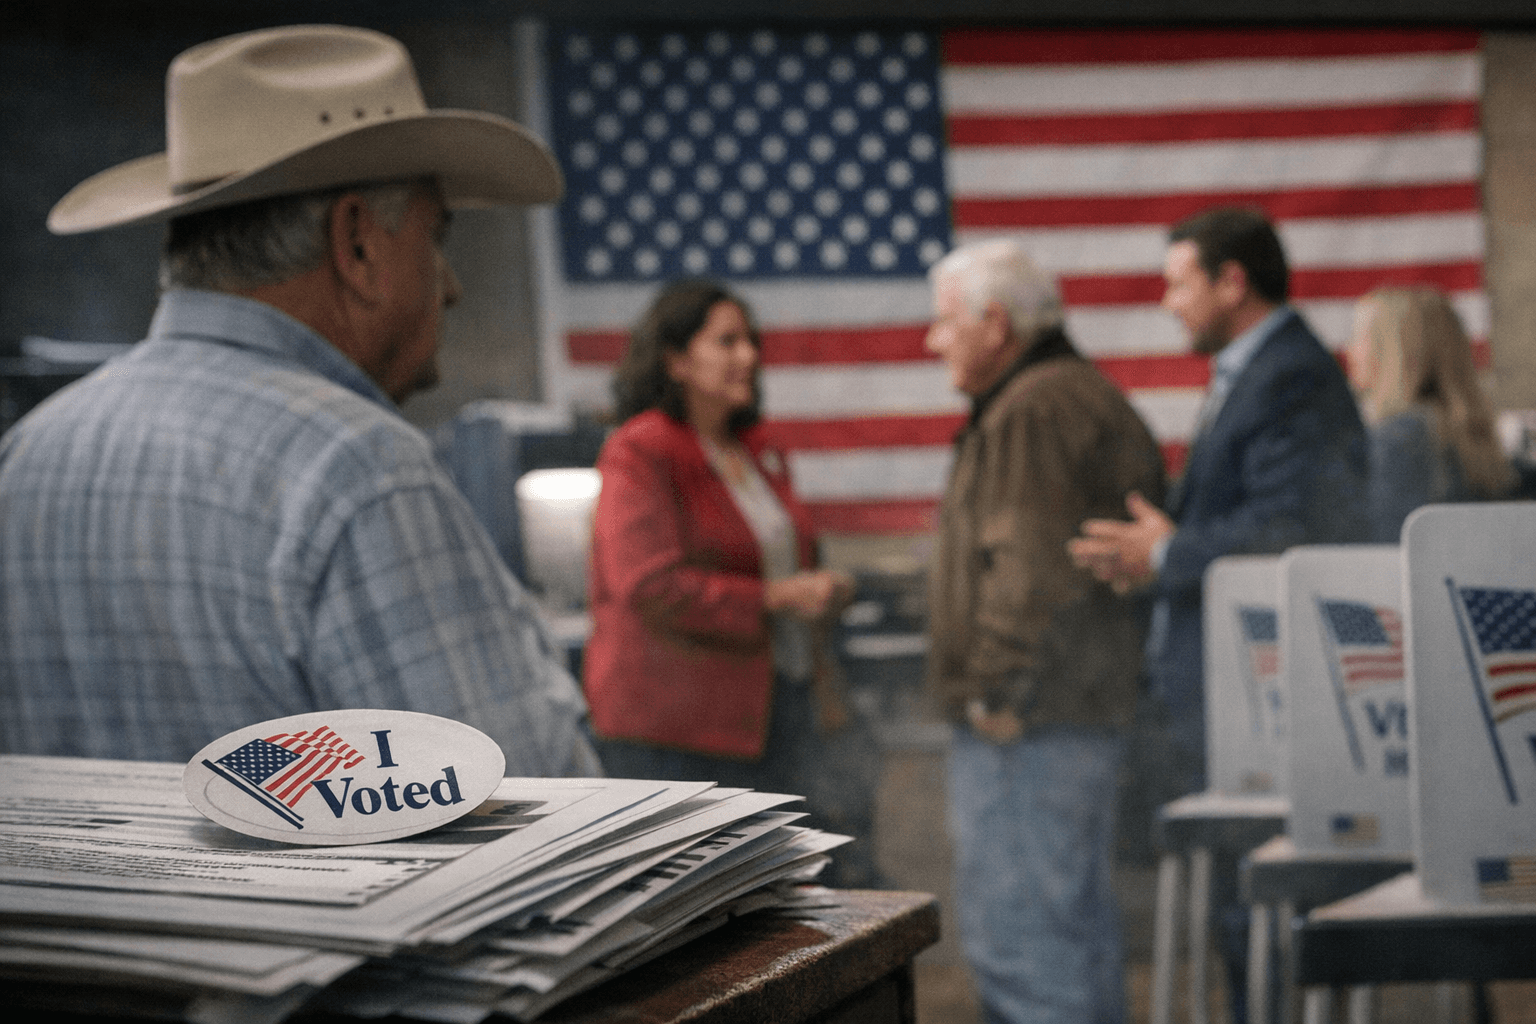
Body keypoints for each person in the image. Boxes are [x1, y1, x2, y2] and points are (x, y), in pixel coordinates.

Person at [0, 25, 598, 777]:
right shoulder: (361, 470)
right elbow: (532, 823)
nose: (451, 285)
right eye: (436, 237)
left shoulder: (26, 457)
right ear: (357, 246)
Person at [1070, 207, 1369, 1024]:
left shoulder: (1290, 374)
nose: (1168, 303)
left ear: (1232, 281)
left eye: (1178, 283)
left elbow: (1295, 530)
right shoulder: (1253, 371)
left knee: (1256, 912)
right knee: (1236, 915)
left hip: (1258, 701)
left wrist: (1166, 555)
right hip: (1215, 694)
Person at [924, 239, 1165, 1024]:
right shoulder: (1069, 394)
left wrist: (996, 692)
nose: (933, 342)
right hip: (1070, 714)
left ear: (994, 324)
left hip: (1024, 724)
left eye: (944, 322)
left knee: (1022, 947)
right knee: (1070, 937)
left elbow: (1028, 571)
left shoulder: (1032, 408)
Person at [583, 279, 881, 887]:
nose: (748, 356)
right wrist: (776, 598)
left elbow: (778, 557)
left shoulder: (756, 448)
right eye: (727, 341)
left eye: (752, 341)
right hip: (676, 731)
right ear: (676, 360)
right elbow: (648, 584)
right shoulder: (639, 450)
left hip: (772, 710)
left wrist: (819, 589)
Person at [1348, 285, 1516, 542]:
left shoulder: (1396, 443)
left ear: (1394, 349)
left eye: (1361, 337)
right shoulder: (1474, 439)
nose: (1350, 350)